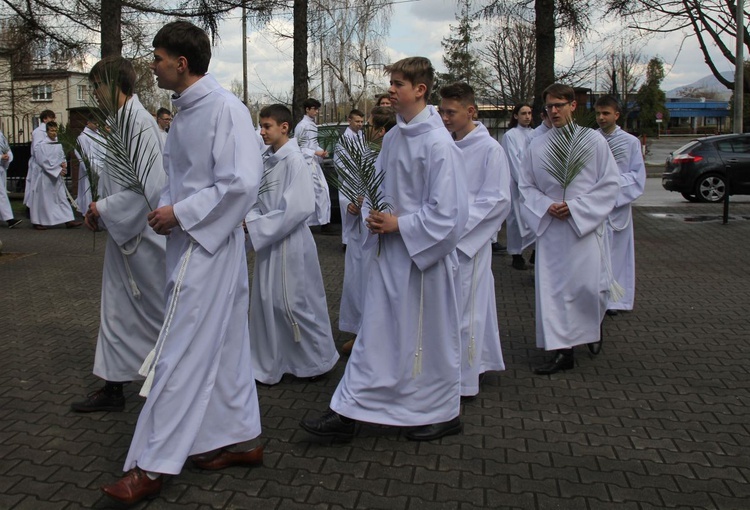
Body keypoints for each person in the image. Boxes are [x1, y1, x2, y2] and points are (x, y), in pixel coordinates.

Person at [100, 21, 264, 505]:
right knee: (228, 348)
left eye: (157, 57)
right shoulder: (185, 110)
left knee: (178, 353)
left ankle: (151, 465)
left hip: (207, 248)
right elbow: (178, 176)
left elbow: (241, 183)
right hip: (191, 242)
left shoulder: (225, 109)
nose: (152, 65)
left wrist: (182, 213)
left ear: (182, 63)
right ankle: (240, 439)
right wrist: (167, 208)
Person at [301, 56, 468, 442]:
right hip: (390, 256)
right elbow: (385, 189)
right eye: (391, 83)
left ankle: (443, 412)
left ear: (420, 90)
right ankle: (350, 409)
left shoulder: (439, 144)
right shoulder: (393, 136)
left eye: (397, 84)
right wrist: (369, 207)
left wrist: (400, 224)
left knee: (428, 339)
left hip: (422, 263)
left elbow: (451, 216)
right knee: (378, 334)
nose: (390, 90)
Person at [69, 56, 167, 414]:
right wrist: (101, 210)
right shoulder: (120, 124)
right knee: (116, 314)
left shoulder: (138, 125)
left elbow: (149, 190)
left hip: (144, 242)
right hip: (125, 239)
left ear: (114, 86)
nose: (94, 93)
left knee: (158, 314)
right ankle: (113, 387)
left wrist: (104, 210)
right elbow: (119, 183)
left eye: (97, 85)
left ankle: (177, 381)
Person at [518, 83, 619, 375]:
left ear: (573, 106)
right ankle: (562, 350)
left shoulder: (593, 141)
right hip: (552, 228)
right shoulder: (536, 145)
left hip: (582, 226)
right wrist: (546, 205)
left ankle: (591, 325)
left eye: (560, 105)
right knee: (554, 290)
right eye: (549, 106)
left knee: (589, 287)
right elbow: (525, 186)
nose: (554, 110)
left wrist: (576, 207)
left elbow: (610, 183)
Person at [245, 104, 339, 385]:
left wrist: (256, 224)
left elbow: (298, 208)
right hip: (270, 241)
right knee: (268, 301)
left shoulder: (294, 160)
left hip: (290, 242)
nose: (261, 132)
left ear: (284, 127)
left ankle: (315, 362)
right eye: (260, 126)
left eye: (267, 126)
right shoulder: (267, 158)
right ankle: (276, 360)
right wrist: (251, 216)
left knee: (295, 302)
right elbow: (256, 197)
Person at [439, 82, 512, 398]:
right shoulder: (446, 145)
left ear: (470, 111)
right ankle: (454, 368)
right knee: (452, 309)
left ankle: (465, 378)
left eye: (451, 112)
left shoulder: (490, 150)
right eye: (441, 111)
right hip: (444, 240)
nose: (444, 118)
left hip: (468, 242)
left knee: (469, 310)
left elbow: (496, 200)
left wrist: (454, 229)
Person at [338, 106, 396, 355]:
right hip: (361, 230)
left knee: (377, 286)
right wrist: (350, 203)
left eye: (369, 125)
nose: (364, 130)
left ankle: (377, 338)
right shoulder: (365, 154)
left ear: (381, 131)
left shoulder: (394, 157)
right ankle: (360, 331)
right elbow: (350, 183)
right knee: (357, 283)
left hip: (381, 232)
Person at [594, 95, 646, 313]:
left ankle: (616, 299)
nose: (601, 117)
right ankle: (597, 294)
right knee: (596, 253)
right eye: (598, 113)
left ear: (616, 115)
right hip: (595, 206)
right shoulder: (590, 139)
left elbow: (636, 175)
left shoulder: (630, 142)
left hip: (617, 207)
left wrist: (613, 186)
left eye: (606, 113)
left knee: (617, 253)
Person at [501, 103, 535, 270]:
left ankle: (535, 251)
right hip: (516, 184)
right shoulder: (510, 135)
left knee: (534, 216)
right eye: (523, 113)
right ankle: (516, 254)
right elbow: (513, 160)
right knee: (515, 217)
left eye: (529, 113)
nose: (527, 116)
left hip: (533, 183)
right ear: (516, 116)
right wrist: (523, 181)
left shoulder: (535, 134)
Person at [28, 122, 82, 230]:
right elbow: (42, 162)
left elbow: (62, 157)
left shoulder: (58, 144)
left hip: (57, 177)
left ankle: (68, 220)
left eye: (55, 130)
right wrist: (57, 170)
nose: (54, 133)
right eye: (51, 131)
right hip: (46, 177)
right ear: (47, 132)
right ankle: (38, 221)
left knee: (61, 198)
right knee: (44, 200)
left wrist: (63, 165)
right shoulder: (42, 145)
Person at [294, 98, 330, 227]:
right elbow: (298, 147)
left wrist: (321, 151)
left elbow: (313, 145)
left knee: (321, 191)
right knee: (318, 191)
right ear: (307, 109)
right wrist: (314, 153)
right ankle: (320, 223)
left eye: (317, 109)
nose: (316, 111)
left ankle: (321, 221)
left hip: (313, 163)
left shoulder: (312, 125)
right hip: (307, 164)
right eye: (314, 109)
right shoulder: (302, 126)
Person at [335, 109, 365, 250]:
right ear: (350, 120)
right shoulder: (344, 140)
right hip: (349, 182)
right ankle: (346, 243)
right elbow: (339, 163)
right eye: (357, 121)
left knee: (359, 213)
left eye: (361, 121)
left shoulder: (361, 136)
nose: (360, 124)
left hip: (361, 181)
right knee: (349, 214)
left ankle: (355, 241)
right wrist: (352, 175)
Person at [24, 110, 56, 214]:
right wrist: (44, 161)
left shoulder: (51, 131)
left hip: (49, 163)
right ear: (44, 119)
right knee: (35, 187)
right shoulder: (38, 131)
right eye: (51, 118)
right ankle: (30, 210)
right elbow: (37, 149)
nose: (53, 120)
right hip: (39, 164)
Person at [74, 116, 104, 215]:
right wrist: (89, 167)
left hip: (101, 165)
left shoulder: (100, 136)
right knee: (88, 189)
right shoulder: (82, 137)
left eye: (98, 123)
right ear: (88, 123)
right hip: (90, 167)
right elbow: (81, 154)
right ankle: (87, 211)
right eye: (95, 123)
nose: (97, 125)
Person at [0, 130, 22, 228]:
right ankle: (9, 219)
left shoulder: (1, 134)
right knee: (1, 193)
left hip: (2, 167)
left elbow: (6, 147)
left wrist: (8, 156)